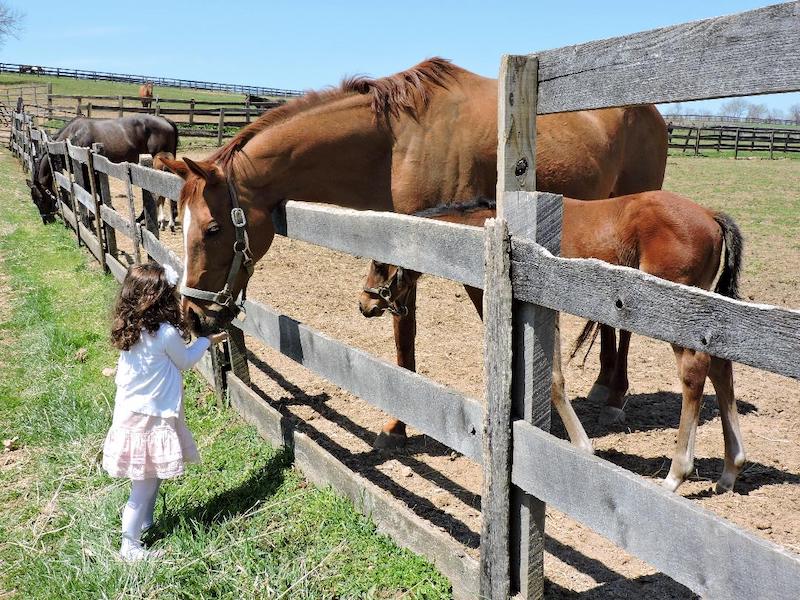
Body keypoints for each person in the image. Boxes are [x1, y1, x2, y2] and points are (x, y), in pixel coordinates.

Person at [102, 262, 227, 561]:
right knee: (142, 486)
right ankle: (129, 545)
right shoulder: (166, 333)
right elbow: (184, 361)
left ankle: (145, 522)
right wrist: (205, 341)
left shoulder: (129, 329)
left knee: (151, 474)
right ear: (159, 297)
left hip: (132, 413)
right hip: (151, 418)